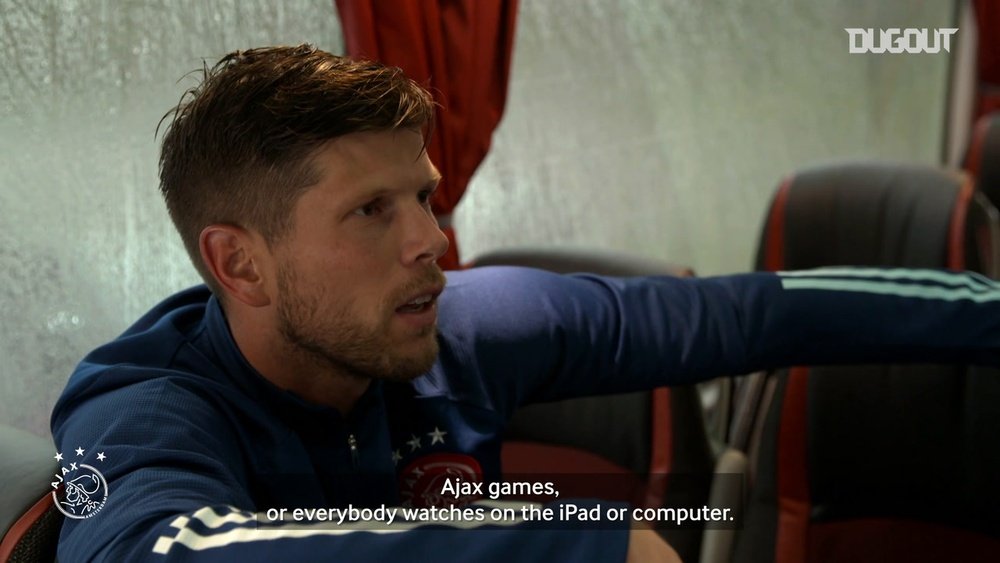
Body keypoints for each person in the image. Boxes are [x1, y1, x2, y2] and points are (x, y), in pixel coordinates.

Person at [51, 44, 1000, 562]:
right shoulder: (139, 410)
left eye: (422, 194)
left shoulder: (462, 323)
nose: (432, 239)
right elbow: (153, 550)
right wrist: (576, 547)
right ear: (241, 265)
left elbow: (749, 314)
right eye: (370, 211)